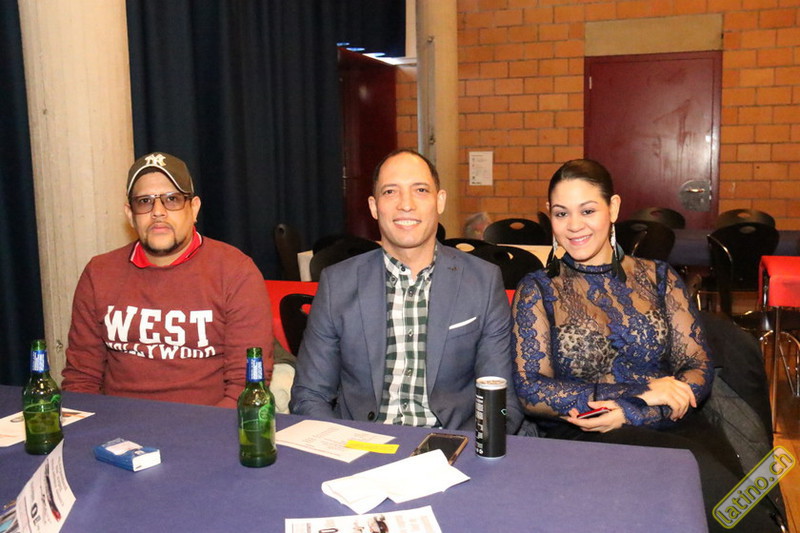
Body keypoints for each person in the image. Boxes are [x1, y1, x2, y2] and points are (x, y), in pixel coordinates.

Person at [511, 159, 781, 532]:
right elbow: (531, 390)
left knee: (737, 502)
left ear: (613, 208)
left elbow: (697, 365)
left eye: (587, 210)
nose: (574, 225)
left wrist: (636, 410)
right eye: (561, 213)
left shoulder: (659, 278)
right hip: (587, 435)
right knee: (699, 488)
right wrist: (641, 394)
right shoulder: (538, 289)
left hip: (671, 419)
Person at [291, 149, 522, 432]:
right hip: (359, 443)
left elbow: (501, 400)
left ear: (440, 201)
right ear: (374, 206)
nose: (406, 204)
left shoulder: (483, 282)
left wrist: (463, 448)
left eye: (420, 190)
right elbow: (310, 394)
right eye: (390, 192)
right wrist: (339, 446)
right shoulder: (337, 283)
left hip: (452, 443)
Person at [62, 152, 281, 408]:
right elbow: (81, 379)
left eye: (172, 199)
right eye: (144, 201)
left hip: (208, 423)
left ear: (194, 208)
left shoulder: (235, 272)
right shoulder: (99, 273)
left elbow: (245, 387)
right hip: (117, 425)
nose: (158, 212)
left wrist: (201, 432)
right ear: (130, 215)